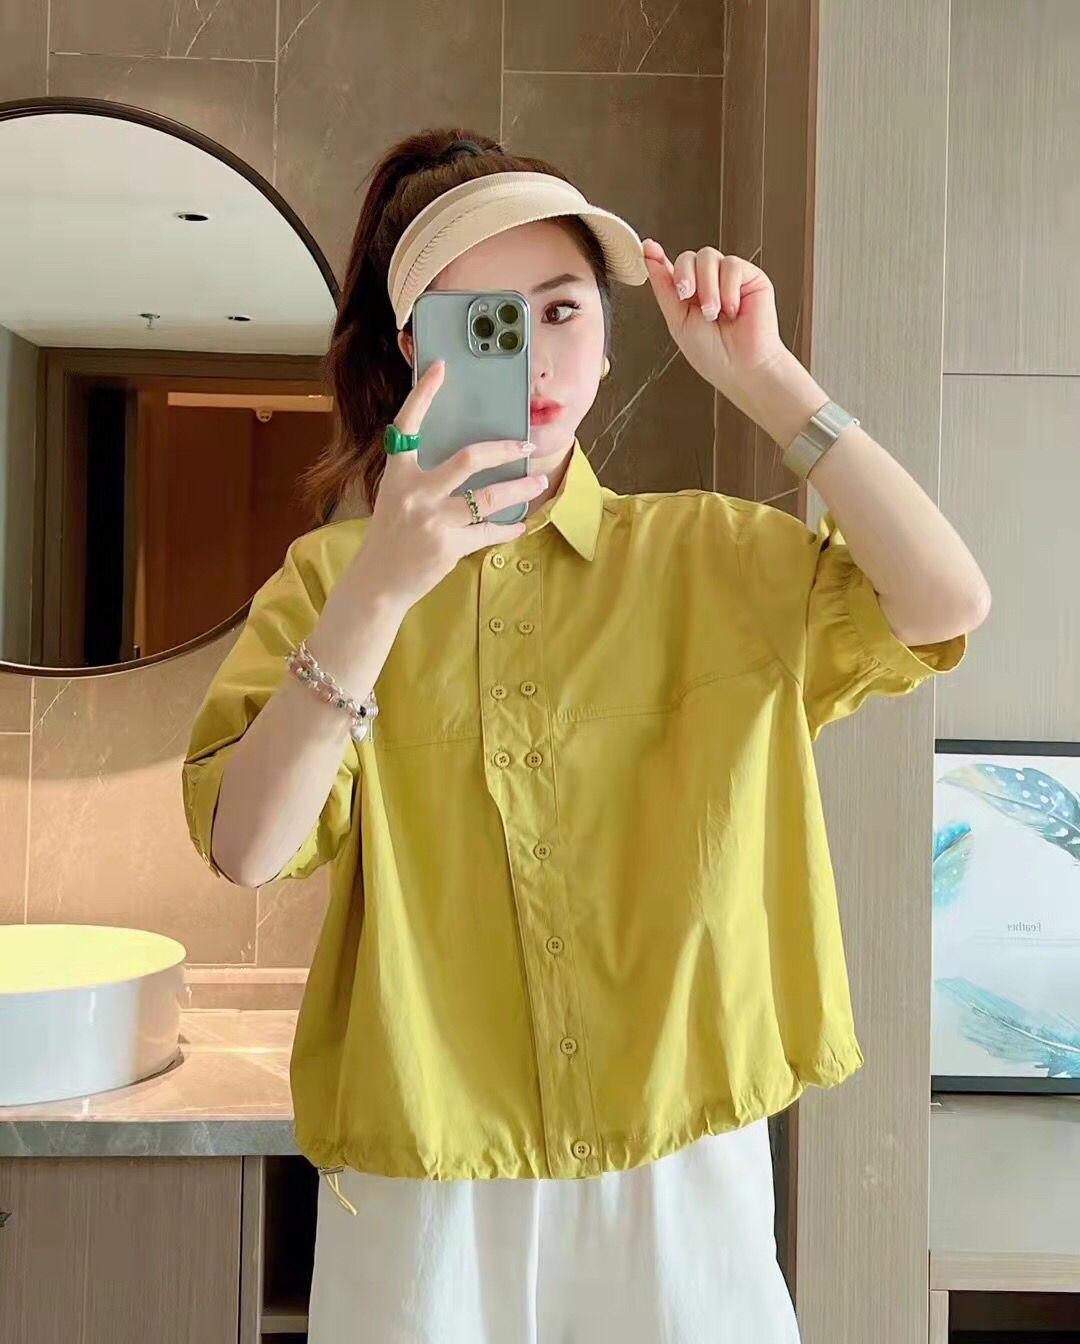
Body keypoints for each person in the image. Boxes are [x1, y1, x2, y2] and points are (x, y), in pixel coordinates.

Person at [181, 128, 990, 1343]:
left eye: (562, 310)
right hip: (427, 1185)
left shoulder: (714, 557)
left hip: (681, 1169)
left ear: (610, 338)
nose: (535, 352)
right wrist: (380, 591)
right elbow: (249, 848)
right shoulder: (330, 585)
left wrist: (770, 380)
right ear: (415, 352)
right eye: (483, 321)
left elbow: (945, 603)